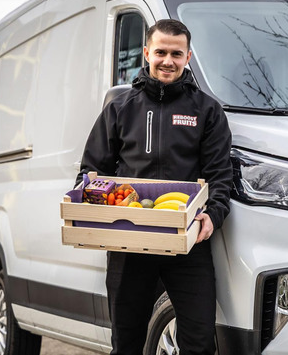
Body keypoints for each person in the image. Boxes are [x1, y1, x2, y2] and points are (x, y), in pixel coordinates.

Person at [76, 19, 232, 355]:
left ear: (188, 57)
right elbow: (91, 171)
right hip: (129, 242)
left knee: (200, 342)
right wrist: (94, 204)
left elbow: (220, 176)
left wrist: (213, 216)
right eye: (161, 52)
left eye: (176, 54)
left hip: (187, 242)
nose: (167, 61)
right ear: (146, 53)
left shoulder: (207, 111)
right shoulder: (119, 108)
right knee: (126, 344)